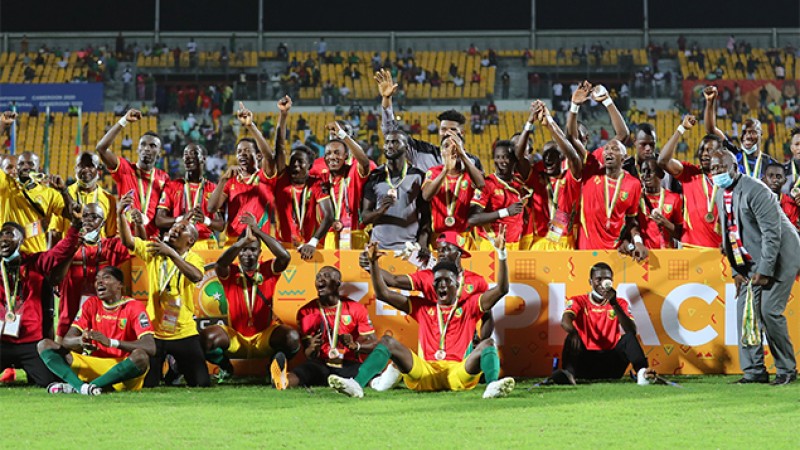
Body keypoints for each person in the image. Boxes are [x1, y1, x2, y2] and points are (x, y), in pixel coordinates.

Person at [329, 236, 514, 399]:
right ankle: (356, 385)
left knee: (488, 344)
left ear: (457, 284)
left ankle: (492, 386)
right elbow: (384, 293)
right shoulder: (422, 307)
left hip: (458, 373)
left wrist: (502, 253)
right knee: (387, 342)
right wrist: (373, 264)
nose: (441, 285)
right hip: (425, 372)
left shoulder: (471, 305)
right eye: (437, 282)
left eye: (447, 281)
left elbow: (502, 289)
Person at [711, 149, 800, 385]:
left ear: (734, 167)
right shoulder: (721, 193)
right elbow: (729, 234)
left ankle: (786, 370)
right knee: (745, 315)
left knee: (769, 311)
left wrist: (765, 270)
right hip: (749, 264)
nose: (716, 172)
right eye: (713, 168)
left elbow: (773, 235)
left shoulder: (756, 190)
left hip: (781, 257)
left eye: (721, 167)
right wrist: (736, 272)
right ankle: (754, 372)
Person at [117, 193, 209, 387]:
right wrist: (119, 214)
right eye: (174, 227)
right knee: (149, 385)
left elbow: (196, 276)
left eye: (181, 229)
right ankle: (167, 368)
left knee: (201, 383)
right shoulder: (156, 250)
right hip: (154, 331)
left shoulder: (193, 258)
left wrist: (173, 254)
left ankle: (176, 368)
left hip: (183, 330)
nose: (174, 230)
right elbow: (129, 242)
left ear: (190, 240)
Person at [200, 213, 298, 383]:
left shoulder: (268, 270)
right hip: (235, 338)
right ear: (238, 252)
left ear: (259, 252)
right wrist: (241, 243)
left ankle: (272, 367)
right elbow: (220, 264)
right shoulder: (230, 272)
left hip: (264, 337)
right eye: (244, 250)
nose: (248, 254)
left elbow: (285, 257)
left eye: (252, 249)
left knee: (292, 338)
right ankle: (226, 368)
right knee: (206, 338)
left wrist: (258, 231)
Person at [37, 267, 156, 395]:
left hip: (123, 367)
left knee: (141, 357)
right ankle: (84, 388)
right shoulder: (91, 304)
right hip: (94, 365)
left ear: (120, 285)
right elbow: (66, 341)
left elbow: (150, 347)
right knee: (44, 345)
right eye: (97, 279)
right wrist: (80, 340)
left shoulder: (134, 306)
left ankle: (83, 387)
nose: (99, 282)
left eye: (106, 278)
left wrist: (111, 343)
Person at [0, 213, 82, 387]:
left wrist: (75, 226)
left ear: (21, 241)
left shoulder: (36, 262)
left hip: (30, 343)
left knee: (49, 382)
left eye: (10, 235)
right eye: (1, 235)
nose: (4, 239)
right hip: (2, 341)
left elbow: (61, 251)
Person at [271, 266, 377, 390]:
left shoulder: (356, 308)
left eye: (326, 276)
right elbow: (309, 354)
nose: (320, 279)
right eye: (318, 277)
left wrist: (356, 346)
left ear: (337, 283)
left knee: (372, 379)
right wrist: (312, 347)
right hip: (321, 364)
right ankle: (282, 381)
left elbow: (372, 342)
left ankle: (388, 378)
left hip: (348, 364)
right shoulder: (306, 311)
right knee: (302, 372)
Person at [558, 263, 650, 384]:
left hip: (611, 364)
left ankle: (643, 373)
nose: (602, 283)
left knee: (628, 339)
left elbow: (631, 331)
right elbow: (565, 320)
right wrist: (574, 332)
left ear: (611, 281)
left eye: (606, 279)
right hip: (585, 362)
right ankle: (569, 375)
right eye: (598, 279)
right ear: (590, 282)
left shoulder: (620, 303)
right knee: (571, 337)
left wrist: (614, 304)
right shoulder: (579, 301)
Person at [376, 69, 483, 173]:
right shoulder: (421, 151)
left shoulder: (473, 162)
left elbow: (481, 187)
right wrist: (386, 99)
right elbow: (391, 134)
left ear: (462, 134)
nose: (447, 133)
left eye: (453, 129)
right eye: (443, 129)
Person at [53, 204, 132, 340]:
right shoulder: (67, 244)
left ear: (103, 223)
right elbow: (56, 277)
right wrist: (73, 246)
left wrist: (122, 215)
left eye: (94, 217)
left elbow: (131, 243)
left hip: (104, 320)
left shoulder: (112, 246)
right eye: (85, 216)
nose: (88, 220)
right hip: (69, 320)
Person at [207, 101, 278, 245]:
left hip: (258, 241)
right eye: (239, 152)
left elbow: (270, 157)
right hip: (233, 242)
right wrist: (222, 180)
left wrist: (250, 125)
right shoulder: (230, 181)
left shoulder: (264, 177)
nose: (242, 155)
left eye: (247, 151)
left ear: (257, 156)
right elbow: (211, 208)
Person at [516, 101, 582, 250]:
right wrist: (529, 122)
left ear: (562, 157)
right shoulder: (537, 178)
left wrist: (549, 124)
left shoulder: (571, 176)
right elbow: (519, 157)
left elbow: (573, 157)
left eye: (554, 155)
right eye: (545, 154)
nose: (548, 158)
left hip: (565, 242)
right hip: (539, 243)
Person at [95, 109, 169, 238]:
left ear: (159, 152)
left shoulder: (164, 178)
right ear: (137, 149)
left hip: (151, 241)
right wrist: (124, 121)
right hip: (126, 238)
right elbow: (101, 148)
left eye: (152, 146)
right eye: (143, 144)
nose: (147, 148)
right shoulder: (125, 169)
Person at [657, 115, 723, 249]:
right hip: (690, 248)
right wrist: (681, 129)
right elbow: (662, 161)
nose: (704, 154)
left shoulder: (727, 180)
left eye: (709, 150)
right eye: (701, 150)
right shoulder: (690, 174)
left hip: (719, 251)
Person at [362, 130, 430, 254]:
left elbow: (426, 215)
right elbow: (365, 217)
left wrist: (423, 243)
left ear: (406, 147)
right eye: (387, 142)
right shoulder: (376, 176)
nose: (389, 146)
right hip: (379, 248)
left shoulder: (418, 176)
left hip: (409, 248)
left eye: (395, 142)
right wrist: (379, 211)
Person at [156, 144, 224, 250]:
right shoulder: (171, 186)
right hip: (179, 245)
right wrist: (180, 219)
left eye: (194, 153)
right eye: (185, 154)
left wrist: (205, 220)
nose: (188, 157)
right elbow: (159, 220)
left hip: (205, 244)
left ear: (203, 158)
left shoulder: (213, 189)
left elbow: (220, 225)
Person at [316, 122, 372, 250]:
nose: (336, 133)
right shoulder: (318, 166)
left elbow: (365, 164)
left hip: (356, 232)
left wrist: (343, 134)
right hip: (330, 233)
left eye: (341, 131)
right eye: (333, 132)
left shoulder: (357, 165)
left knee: (358, 270)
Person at [421, 135, 485, 241]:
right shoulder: (434, 172)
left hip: (463, 237)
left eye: (455, 146)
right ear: (441, 151)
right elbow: (426, 196)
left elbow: (481, 185)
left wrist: (463, 155)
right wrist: (446, 170)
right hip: (438, 237)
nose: (451, 149)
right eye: (446, 146)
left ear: (462, 150)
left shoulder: (469, 174)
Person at [468, 140, 529, 250]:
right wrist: (506, 212)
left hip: (516, 244)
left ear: (514, 160)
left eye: (505, 157)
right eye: (498, 157)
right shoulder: (487, 184)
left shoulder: (519, 183)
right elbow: (472, 218)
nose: (501, 161)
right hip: (492, 245)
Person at [705, 86, 775, 178]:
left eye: (752, 132)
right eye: (744, 132)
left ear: (761, 134)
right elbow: (711, 130)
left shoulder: (770, 164)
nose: (747, 136)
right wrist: (710, 103)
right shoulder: (735, 154)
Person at [48, 152, 117, 244]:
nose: (85, 169)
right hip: (71, 256)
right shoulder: (62, 195)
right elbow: (55, 233)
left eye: (90, 166)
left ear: (98, 170)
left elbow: (111, 235)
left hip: (98, 255)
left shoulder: (109, 199)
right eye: (81, 166)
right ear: (75, 169)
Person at [636, 156, 683, 248]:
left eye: (650, 171)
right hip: (643, 255)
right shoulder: (636, 198)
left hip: (666, 255)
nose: (646, 175)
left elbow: (681, 235)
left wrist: (666, 223)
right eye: (643, 171)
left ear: (660, 174)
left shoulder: (674, 199)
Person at [762, 163, 800, 232]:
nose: (774, 180)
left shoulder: (791, 206)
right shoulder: (754, 202)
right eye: (770, 176)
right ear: (763, 179)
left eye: (778, 177)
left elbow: (793, 233)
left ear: (784, 181)